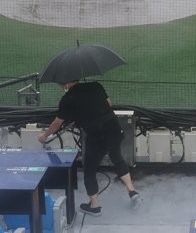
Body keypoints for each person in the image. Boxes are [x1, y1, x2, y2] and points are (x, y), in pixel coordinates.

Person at [38, 79, 139, 216]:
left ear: (65, 83)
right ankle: (132, 191)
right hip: (114, 129)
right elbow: (109, 103)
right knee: (117, 158)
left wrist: (44, 136)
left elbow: (57, 123)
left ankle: (95, 207)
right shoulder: (95, 85)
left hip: (97, 136)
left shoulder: (67, 99)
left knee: (89, 170)